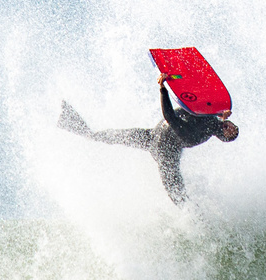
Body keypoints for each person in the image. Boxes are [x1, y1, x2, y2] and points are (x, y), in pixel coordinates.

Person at [58, 73, 239, 205]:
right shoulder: (210, 116)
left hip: (166, 156)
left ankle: (198, 222)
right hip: (151, 136)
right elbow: (193, 100)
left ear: (222, 137)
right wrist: (218, 108)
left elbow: (170, 116)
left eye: (231, 133)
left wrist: (162, 89)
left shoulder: (197, 136)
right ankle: (70, 122)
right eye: (234, 127)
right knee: (111, 136)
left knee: (179, 198)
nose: (231, 128)